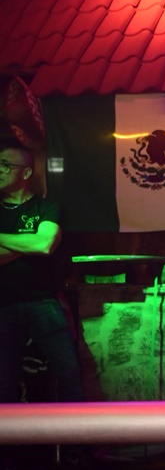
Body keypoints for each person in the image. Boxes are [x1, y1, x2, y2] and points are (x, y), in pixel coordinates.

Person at [0, 137, 84, 406]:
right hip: (3, 305)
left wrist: (23, 243)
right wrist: (29, 243)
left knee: (68, 372)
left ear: (25, 173)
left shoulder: (47, 207)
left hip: (43, 301)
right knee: (4, 379)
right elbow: (36, 244)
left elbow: (44, 245)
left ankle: (78, 431)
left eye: (5, 165)